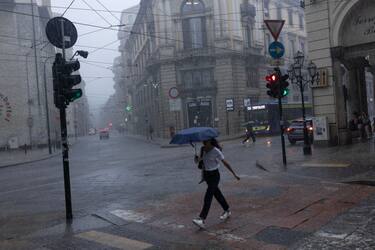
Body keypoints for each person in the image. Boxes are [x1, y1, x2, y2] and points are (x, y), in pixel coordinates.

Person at [192, 138, 240, 229]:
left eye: (206, 141)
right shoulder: (202, 149)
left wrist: (234, 174)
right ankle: (227, 210)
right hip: (207, 175)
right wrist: (196, 159)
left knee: (208, 195)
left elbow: (225, 163)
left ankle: (201, 219)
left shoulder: (216, 151)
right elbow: (200, 162)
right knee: (217, 194)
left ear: (210, 141)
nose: (204, 143)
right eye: (203, 141)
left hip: (215, 175)